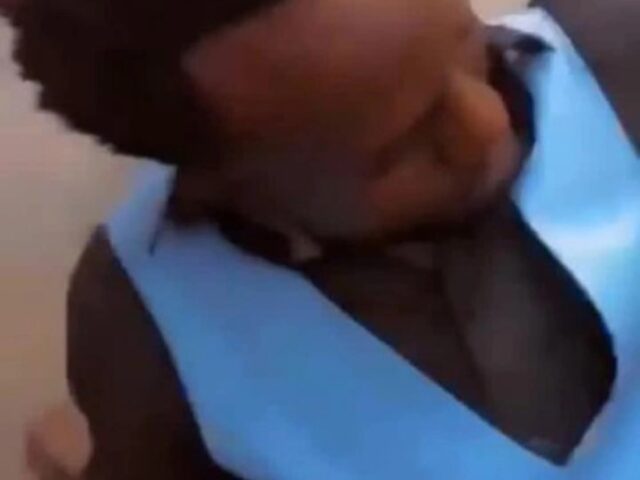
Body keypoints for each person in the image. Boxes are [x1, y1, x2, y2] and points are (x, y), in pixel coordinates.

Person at [5, 0, 639, 477]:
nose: (487, 124)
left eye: (468, 47)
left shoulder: (618, 51)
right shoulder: (144, 323)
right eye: (397, 153)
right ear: (224, 186)